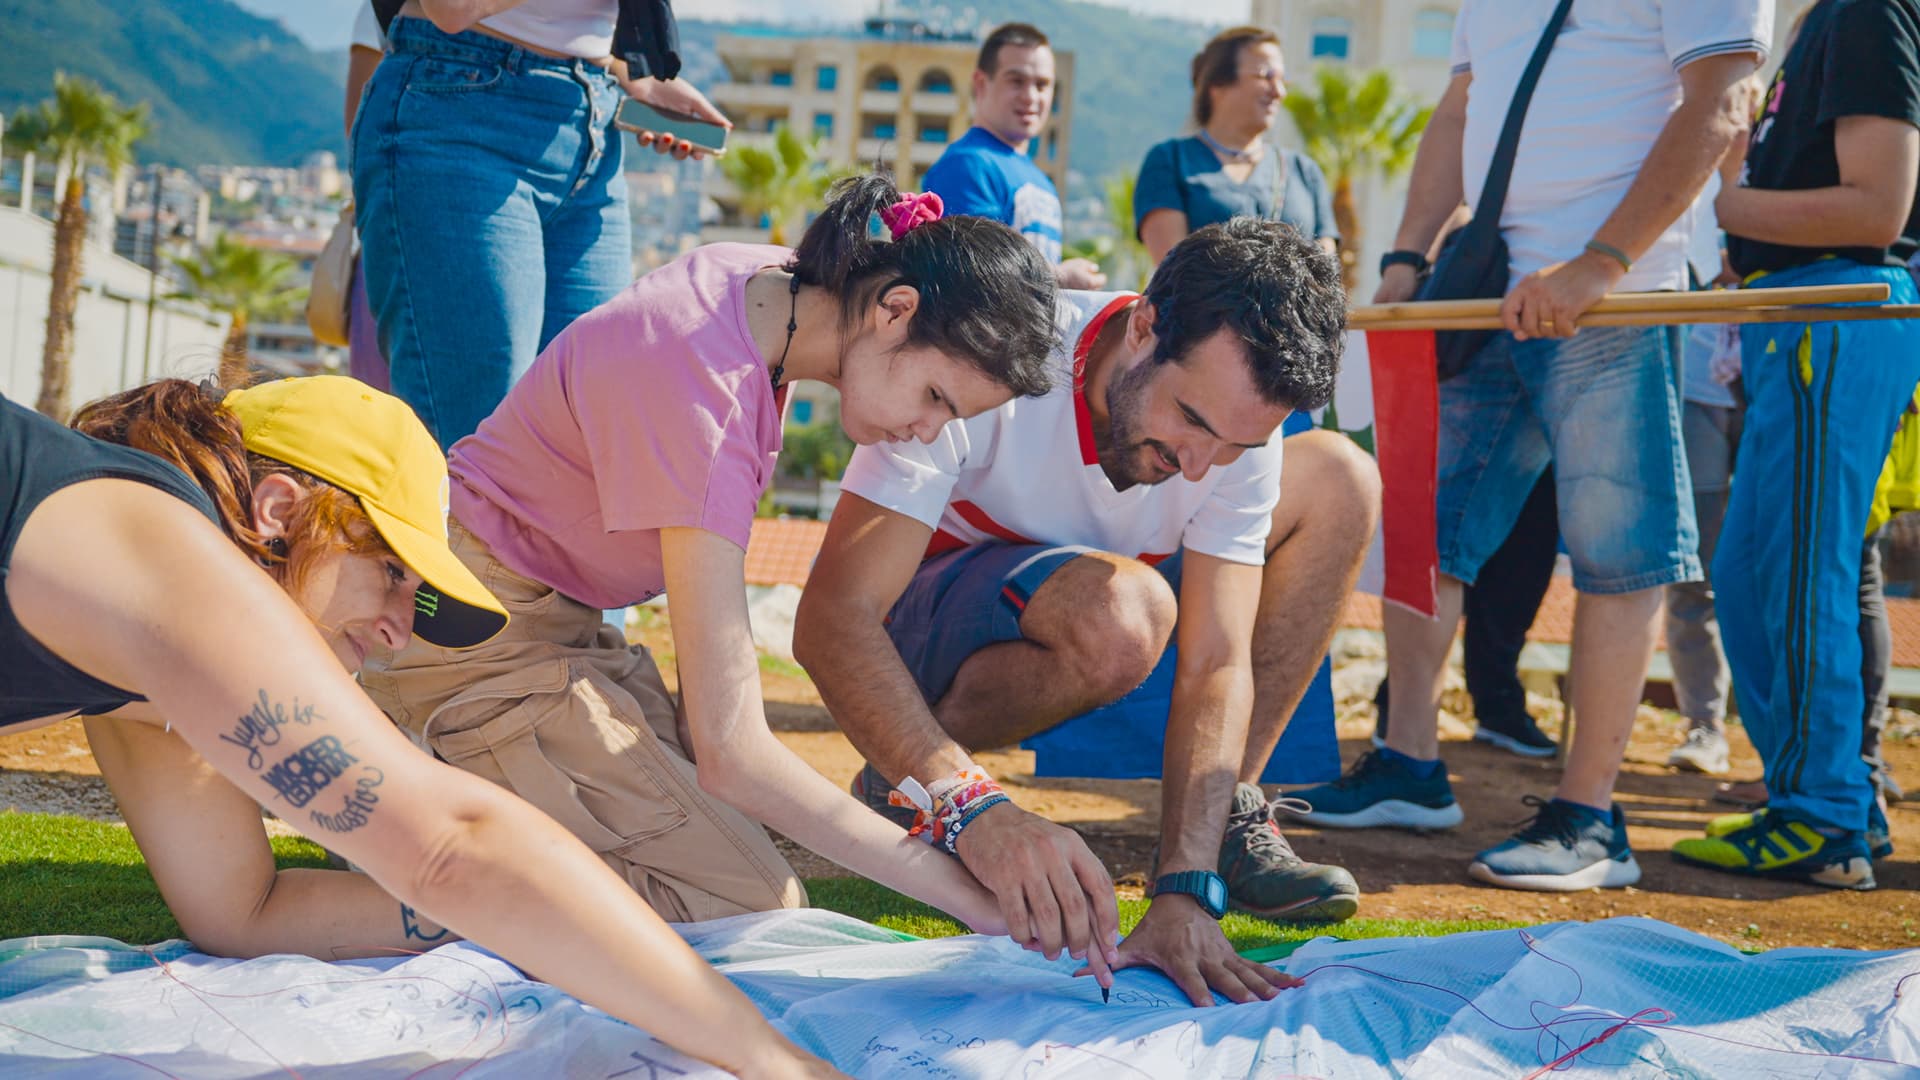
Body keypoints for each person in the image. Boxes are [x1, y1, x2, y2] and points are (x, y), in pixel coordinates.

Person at [2, 376, 840, 1079]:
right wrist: (778, 1062)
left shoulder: (143, 646)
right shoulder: (166, 557)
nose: (401, 631)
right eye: (391, 573)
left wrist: (563, 923)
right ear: (278, 508)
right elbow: (450, 846)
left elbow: (239, 911)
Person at [358, 175, 1071, 965]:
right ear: (893, 307)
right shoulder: (708, 394)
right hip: (467, 634)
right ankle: (413, 850)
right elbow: (735, 752)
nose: (928, 431)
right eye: (937, 396)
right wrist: (971, 899)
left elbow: (718, 739)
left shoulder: (775, 287)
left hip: (544, 618)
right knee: (742, 907)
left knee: (727, 849)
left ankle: (452, 800)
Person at [794, 218, 1373, 1009]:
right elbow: (832, 617)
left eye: (1234, 446)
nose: (1199, 466)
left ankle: (1221, 817)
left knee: (1342, 476)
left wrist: (1183, 890)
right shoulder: (996, 343)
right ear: (1143, 327)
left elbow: (1217, 660)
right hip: (931, 621)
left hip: (1093, 598)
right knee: (1123, 612)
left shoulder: (1233, 436)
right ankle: (912, 775)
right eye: (1193, 421)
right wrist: (973, 811)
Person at [1287, 1, 1768, 892]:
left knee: (1619, 552)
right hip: (1483, 284)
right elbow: (1460, 108)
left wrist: (1602, 261)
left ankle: (1591, 817)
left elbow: (1723, 100)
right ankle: (1410, 763)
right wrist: (1404, 256)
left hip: (1615, 297)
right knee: (1426, 525)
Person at [1674, 0, 1920, 890]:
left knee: (1798, 576)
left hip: (1839, 312)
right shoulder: (1824, 23)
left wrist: (1732, 199)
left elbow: (1879, 204)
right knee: (1748, 574)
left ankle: (1823, 817)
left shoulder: (1866, 10)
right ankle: (1825, 801)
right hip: (1801, 317)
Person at [352, 0, 729, 450]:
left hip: (590, 116)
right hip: (459, 107)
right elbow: (450, 7)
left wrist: (640, 81)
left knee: (585, 429)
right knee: (476, 442)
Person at [1134, 27, 1338, 266]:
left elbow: (1326, 272)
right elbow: (1173, 271)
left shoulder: (1304, 171)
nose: (1279, 92)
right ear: (1218, 83)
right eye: (1266, 76)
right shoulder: (1171, 161)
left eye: (1283, 80)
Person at [923, 22, 1105, 290]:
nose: (1031, 97)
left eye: (1042, 85)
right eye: (1016, 81)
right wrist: (1059, 277)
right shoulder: (968, 164)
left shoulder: (1041, 180)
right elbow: (968, 274)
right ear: (981, 83)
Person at [1665, 174, 1745, 778]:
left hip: (1778, 380)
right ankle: (1706, 723)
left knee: (1793, 574)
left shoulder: (1788, 152)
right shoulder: (1682, 164)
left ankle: (1847, 748)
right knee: (1695, 573)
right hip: (1695, 393)